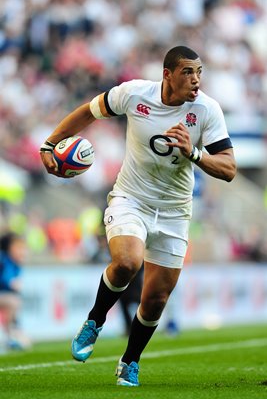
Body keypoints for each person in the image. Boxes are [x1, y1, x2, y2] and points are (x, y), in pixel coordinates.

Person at [40, 46, 236, 386]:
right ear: (168, 74)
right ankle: (95, 320)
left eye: (199, 72)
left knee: (156, 299)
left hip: (175, 211)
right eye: (188, 72)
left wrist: (193, 152)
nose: (196, 80)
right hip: (131, 198)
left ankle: (130, 361)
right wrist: (50, 143)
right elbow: (88, 112)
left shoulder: (207, 110)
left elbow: (229, 168)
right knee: (128, 262)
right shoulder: (134, 94)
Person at [0, 232, 30, 350]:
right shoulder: (4, 260)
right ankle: (10, 335)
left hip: (5, 295)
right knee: (13, 301)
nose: (22, 251)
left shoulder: (15, 264)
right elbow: (6, 280)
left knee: (14, 302)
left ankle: (14, 333)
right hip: (4, 294)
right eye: (19, 248)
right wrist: (12, 283)